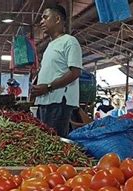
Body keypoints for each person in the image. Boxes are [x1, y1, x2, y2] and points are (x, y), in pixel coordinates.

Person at [31, 5, 82, 137]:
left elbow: (75, 72)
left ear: (57, 19)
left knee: (54, 144)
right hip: (45, 101)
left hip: (58, 102)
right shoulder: (51, 44)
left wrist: (48, 87)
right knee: (45, 141)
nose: (41, 21)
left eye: (45, 17)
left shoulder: (70, 42)